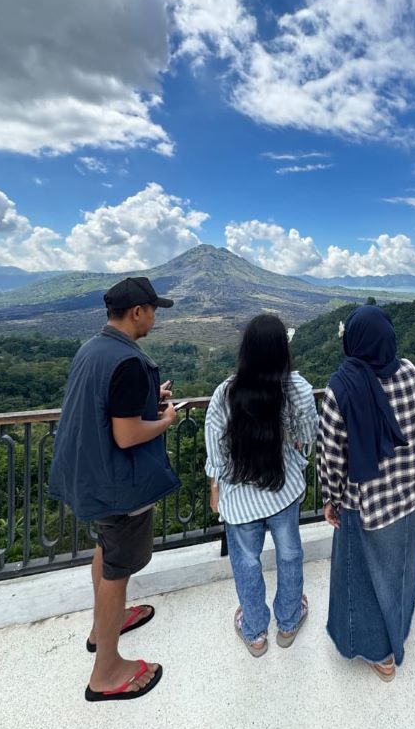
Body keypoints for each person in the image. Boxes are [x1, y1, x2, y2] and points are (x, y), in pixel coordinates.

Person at [49, 276, 181, 701]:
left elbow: (107, 407)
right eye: (153, 309)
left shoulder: (93, 348)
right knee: (118, 571)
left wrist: (147, 398)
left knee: (105, 550)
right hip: (117, 485)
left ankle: (104, 623)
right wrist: (164, 420)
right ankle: (106, 671)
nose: (155, 317)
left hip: (87, 476)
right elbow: (126, 435)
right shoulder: (127, 361)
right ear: (138, 312)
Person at [317, 305, 415, 683]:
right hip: (409, 491)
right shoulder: (413, 374)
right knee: (403, 564)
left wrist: (330, 498)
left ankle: (381, 653)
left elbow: (331, 455)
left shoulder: (339, 390)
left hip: (366, 503)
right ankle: (403, 617)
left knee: (362, 579)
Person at [204, 314, 318, 657]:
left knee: (247, 562)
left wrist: (215, 488)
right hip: (283, 490)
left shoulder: (226, 392)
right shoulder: (296, 388)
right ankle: (288, 620)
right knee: (289, 554)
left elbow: (216, 446)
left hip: (239, 499)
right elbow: (308, 435)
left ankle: (254, 631)